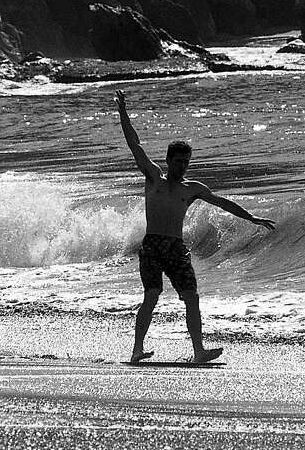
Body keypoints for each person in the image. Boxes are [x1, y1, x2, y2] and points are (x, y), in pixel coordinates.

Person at [115, 90, 276, 364]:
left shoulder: (192, 188)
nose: (183, 166)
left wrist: (251, 218)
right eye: (178, 161)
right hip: (153, 245)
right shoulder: (154, 178)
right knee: (152, 295)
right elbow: (135, 145)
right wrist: (122, 113)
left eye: (187, 161)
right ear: (168, 161)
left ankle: (199, 351)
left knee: (191, 296)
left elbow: (222, 203)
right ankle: (137, 350)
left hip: (176, 248)